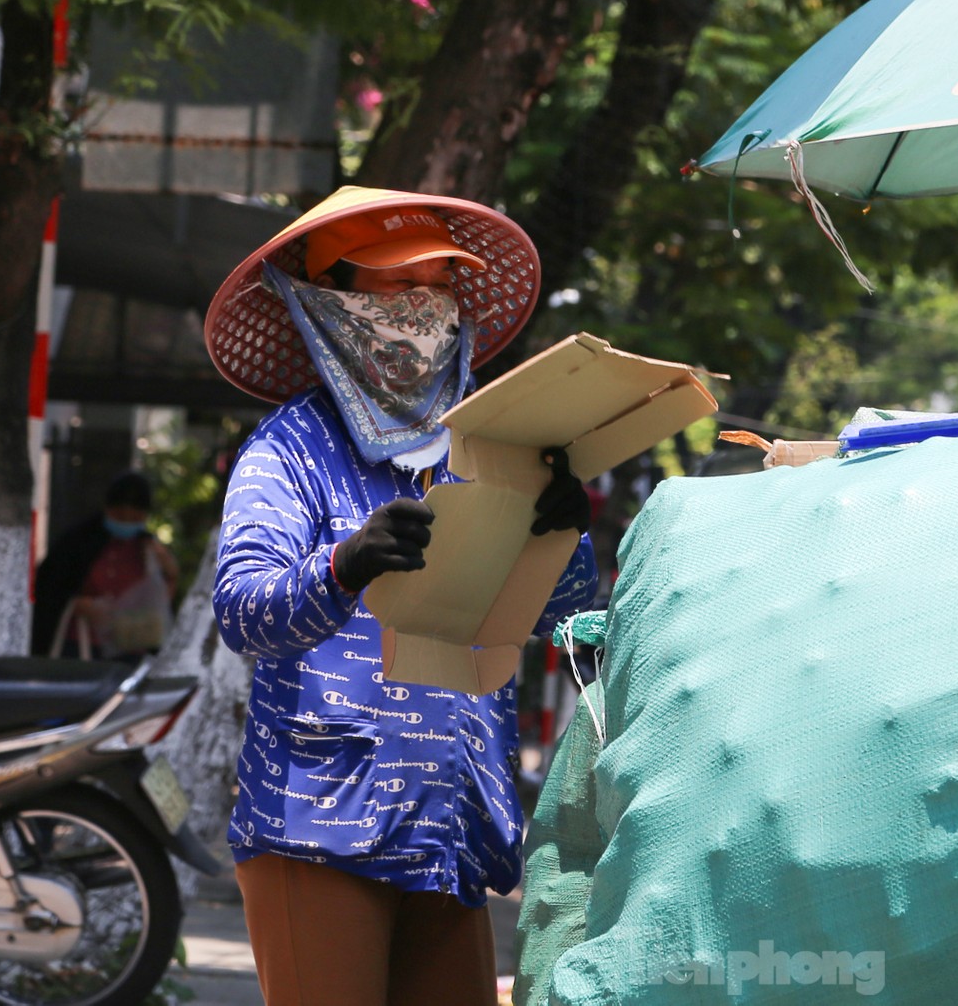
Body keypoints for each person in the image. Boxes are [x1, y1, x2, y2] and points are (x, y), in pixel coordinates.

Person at [202, 186, 596, 1006]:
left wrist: (561, 537)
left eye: (437, 285)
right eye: (392, 286)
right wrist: (343, 565)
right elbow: (243, 609)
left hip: (451, 828)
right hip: (319, 826)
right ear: (330, 305)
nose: (420, 308)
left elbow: (563, 619)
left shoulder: (489, 444)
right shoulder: (291, 451)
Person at [31, 471, 180, 659]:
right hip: (80, 646)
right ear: (107, 509)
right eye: (120, 515)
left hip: (130, 647)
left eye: (134, 518)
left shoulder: (149, 549)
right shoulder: (78, 543)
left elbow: (161, 601)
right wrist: (77, 604)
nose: (126, 522)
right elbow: (50, 587)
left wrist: (170, 572)